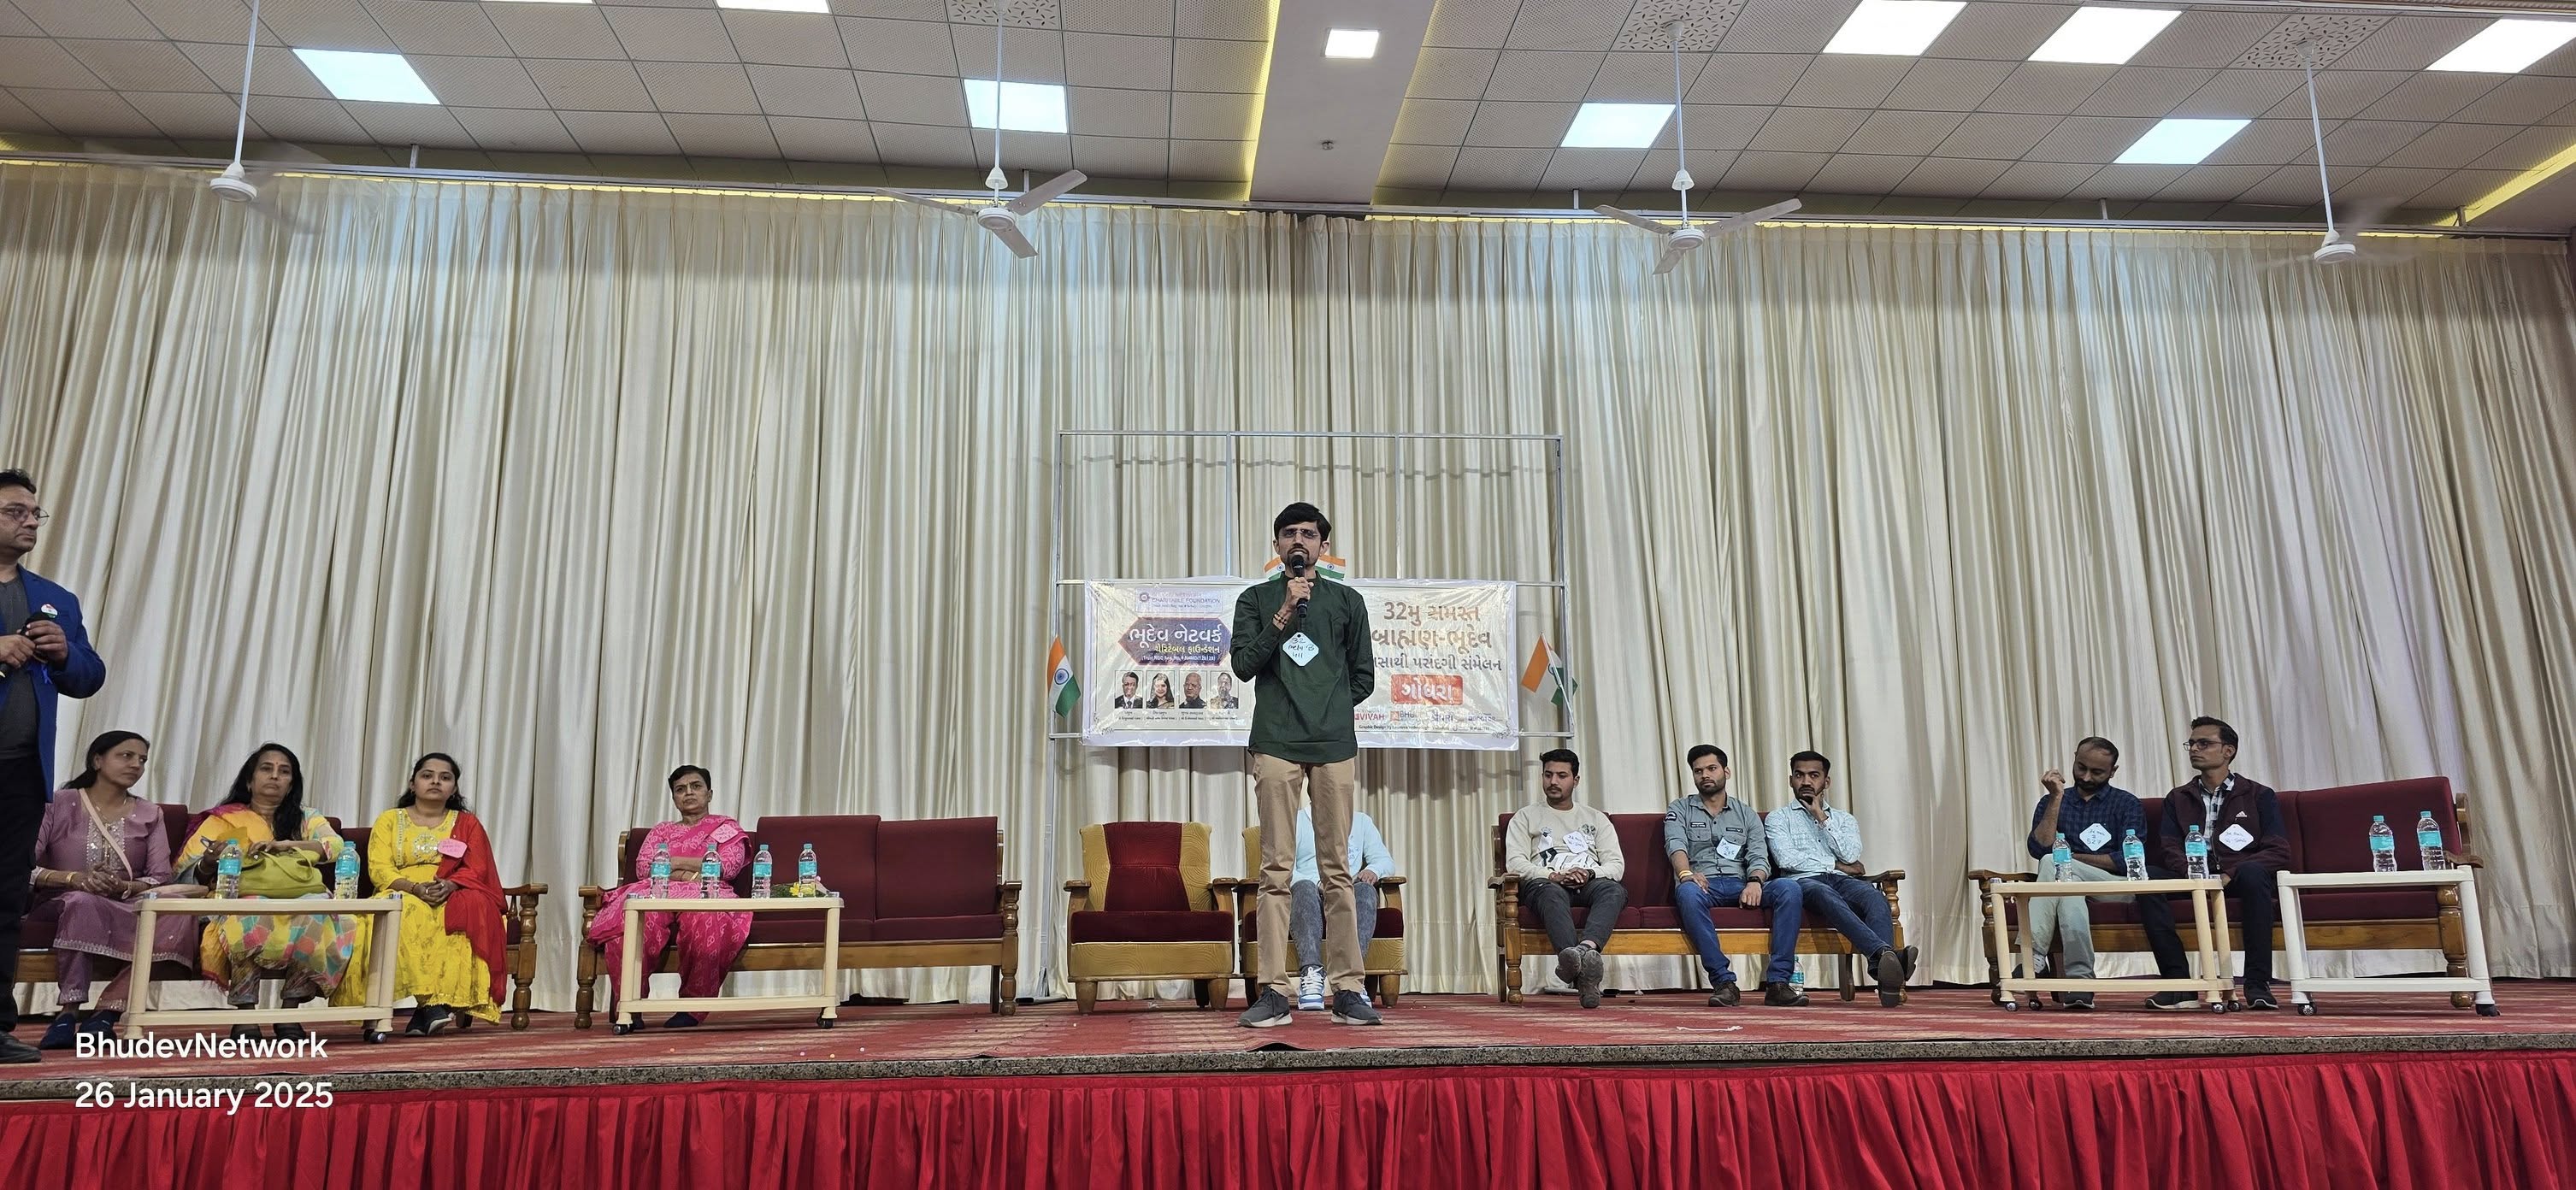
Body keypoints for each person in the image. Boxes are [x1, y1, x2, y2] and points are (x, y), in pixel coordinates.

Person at [1232, 502, 1378, 1028]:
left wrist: (1330, 710)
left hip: (1333, 746)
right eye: (1290, 533)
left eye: (1309, 534)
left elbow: (1364, 676)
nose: (1299, 541)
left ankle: (1349, 988)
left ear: (1323, 546)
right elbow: (1244, 665)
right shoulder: (1255, 599)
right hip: (1275, 741)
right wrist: (1284, 612)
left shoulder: (1347, 601)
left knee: (1337, 869)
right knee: (1276, 868)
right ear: (1277, 545)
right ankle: (1274, 990)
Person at [0, 468, 109, 1063]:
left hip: (21, 774)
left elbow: (89, 676)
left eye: (34, 514)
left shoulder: (55, 598)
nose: (29, 523)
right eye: (14, 512)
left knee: (5, 900)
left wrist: (66, 654)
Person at [177, 744, 368, 1040]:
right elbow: (185, 872)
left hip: (300, 896)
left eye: (284, 771)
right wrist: (210, 862)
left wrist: (288, 845)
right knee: (246, 915)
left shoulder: (306, 818)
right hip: (242, 896)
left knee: (319, 914)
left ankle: (289, 1012)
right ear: (249, 780)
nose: (275, 776)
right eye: (267, 769)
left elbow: (336, 846)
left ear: (291, 784)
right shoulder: (222, 820)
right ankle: (245, 1015)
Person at [27, 732, 192, 1048]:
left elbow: (160, 876)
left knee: (179, 912)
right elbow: (23, 867)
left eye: (142, 760)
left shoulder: (150, 813)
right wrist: (73, 879)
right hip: (63, 900)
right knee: (82, 901)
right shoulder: (59, 804)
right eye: (126, 756)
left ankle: (107, 1012)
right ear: (97, 760)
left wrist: (124, 886)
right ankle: (68, 1012)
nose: (136, 765)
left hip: (127, 903)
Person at [2019, 736, 2193, 1010]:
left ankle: (2032, 957)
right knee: (2068, 888)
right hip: (2070, 884)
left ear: (2113, 771)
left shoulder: (2126, 803)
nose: (2086, 777)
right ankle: (2080, 985)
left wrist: (2071, 859)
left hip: (2117, 886)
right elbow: (2038, 848)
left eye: (2097, 772)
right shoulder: (2052, 801)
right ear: (2075, 758)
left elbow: (2128, 860)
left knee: (2057, 863)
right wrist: (2056, 798)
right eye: (2081, 767)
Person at [586, 765, 752, 1030]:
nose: (689, 793)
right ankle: (630, 1005)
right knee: (631, 924)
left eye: (696, 786)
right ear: (674, 798)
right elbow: (644, 867)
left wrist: (673, 862)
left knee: (706, 920)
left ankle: (692, 1008)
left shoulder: (725, 827)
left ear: (709, 794)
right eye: (680, 789)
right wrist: (691, 872)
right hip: (656, 893)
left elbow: (727, 866)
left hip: (705, 894)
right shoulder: (662, 831)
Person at [368, 753, 509, 1035]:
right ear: (413, 784)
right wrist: (415, 888)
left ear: (454, 789)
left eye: (445, 778)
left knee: (465, 910)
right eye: (427, 775)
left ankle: (428, 1011)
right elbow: (379, 868)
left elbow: (477, 867)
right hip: (403, 891)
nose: (435, 781)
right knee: (405, 910)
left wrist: (451, 885)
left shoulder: (467, 824)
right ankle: (431, 1005)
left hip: (452, 891)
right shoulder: (390, 820)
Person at [2155, 716, 2290, 1010]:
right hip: (2192, 874)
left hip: (2238, 876)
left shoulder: (2258, 795)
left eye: (2204, 743)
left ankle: (2257, 983)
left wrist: (2230, 872)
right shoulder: (2178, 798)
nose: (2194, 749)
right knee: (2151, 881)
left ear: (2228, 751)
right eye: (2192, 743)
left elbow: (2278, 850)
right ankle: (2179, 984)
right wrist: (2192, 871)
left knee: (2254, 874)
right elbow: (2169, 847)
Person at [1763, 751, 1917, 1007]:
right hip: (1803, 882)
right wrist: (1837, 865)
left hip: (1841, 881)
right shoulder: (1779, 818)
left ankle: (1885, 977)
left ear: (1826, 782)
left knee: (1874, 897)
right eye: (1799, 775)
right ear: (1791, 781)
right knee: (1824, 893)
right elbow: (1787, 860)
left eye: (1814, 775)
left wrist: (1821, 818)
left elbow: (1851, 853)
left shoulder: (1844, 819)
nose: (1806, 781)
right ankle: (1883, 955)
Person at [1665, 745, 1805, 1006]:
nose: (1705, 775)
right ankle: (1724, 983)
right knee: (1686, 892)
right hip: (1702, 884)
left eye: (1711, 768)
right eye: (1698, 771)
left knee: (1789, 888)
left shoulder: (1746, 813)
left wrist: (1755, 882)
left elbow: (1759, 855)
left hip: (1741, 883)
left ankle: (1778, 983)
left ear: (1726, 772)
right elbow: (1675, 845)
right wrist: (1686, 874)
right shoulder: (1680, 808)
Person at [1503, 748, 1626, 1009]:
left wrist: (1590, 873)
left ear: (1576, 780)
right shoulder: (1525, 817)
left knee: (1614, 890)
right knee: (1551, 892)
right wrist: (1552, 875)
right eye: (1548, 775)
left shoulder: (1596, 818)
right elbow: (1515, 864)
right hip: (1545, 884)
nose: (1553, 781)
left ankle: (1581, 952)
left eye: (1561, 776)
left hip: (1589, 883)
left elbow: (1616, 866)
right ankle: (1585, 979)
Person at [1288, 804, 1395, 1010]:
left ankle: (1352, 979)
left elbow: (1384, 860)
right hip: (1310, 888)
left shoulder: (1361, 821)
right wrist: (1318, 883)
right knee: (1302, 888)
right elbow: (1286, 869)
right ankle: (1311, 974)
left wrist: (1373, 870)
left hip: (1346, 889)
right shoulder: (1297, 820)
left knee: (1366, 890)